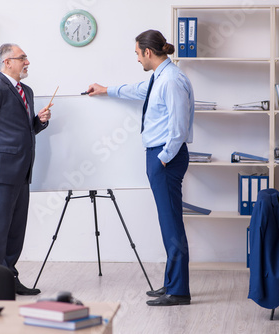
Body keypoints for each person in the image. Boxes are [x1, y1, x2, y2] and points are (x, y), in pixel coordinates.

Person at [87, 30, 194, 306]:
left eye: (137, 53)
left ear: (148, 52)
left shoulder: (171, 80)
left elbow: (179, 127)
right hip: (159, 156)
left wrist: (164, 157)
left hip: (165, 158)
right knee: (167, 221)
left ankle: (179, 291)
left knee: (171, 224)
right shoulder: (159, 77)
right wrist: (105, 89)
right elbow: (137, 90)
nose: (136, 58)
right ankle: (172, 284)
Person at [0, 43, 52, 295]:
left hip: (22, 170)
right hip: (1, 171)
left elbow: (26, 129)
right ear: (7, 62)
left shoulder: (26, 90)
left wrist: (39, 122)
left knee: (16, 229)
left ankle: (9, 277)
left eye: (26, 58)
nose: (27, 62)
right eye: (22, 58)